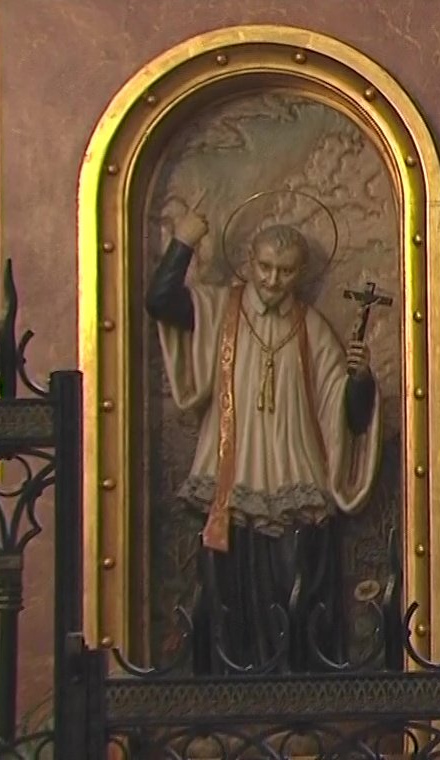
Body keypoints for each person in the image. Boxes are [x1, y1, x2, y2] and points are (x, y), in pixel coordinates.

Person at [146, 203, 381, 672]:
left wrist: (359, 380)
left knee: (297, 581)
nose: (273, 280)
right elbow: (160, 301)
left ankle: (300, 683)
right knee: (229, 587)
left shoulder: (313, 329)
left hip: (295, 474)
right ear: (250, 262)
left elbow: (347, 417)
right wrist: (184, 241)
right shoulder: (219, 309)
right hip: (233, 473)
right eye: (266, 267)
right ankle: (232, 684)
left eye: (286, 271)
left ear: (300, 273)